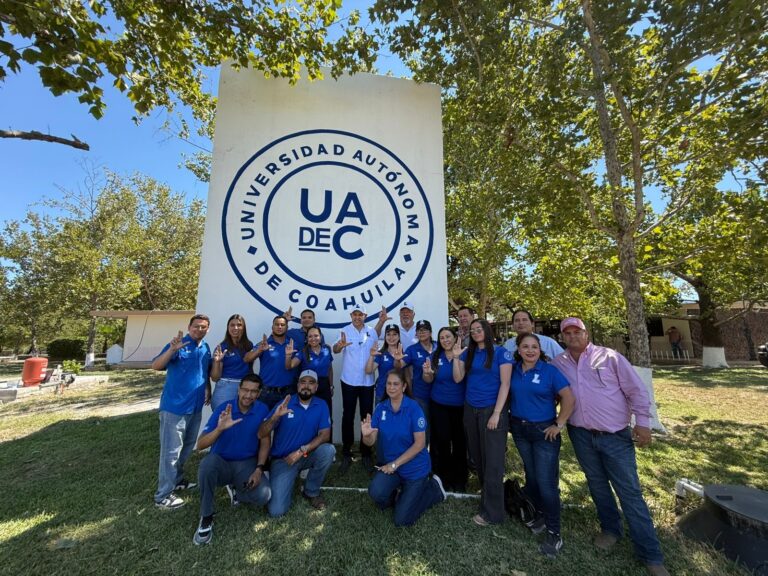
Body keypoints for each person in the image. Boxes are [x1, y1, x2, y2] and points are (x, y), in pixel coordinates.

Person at [552, 317, 669, 576]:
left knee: (629, 491)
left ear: (586, 333)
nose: (572, 336)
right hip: (581, 434)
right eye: (567, 333)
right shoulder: (557, 364)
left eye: (577, 331)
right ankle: (610, 529)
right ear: (562, 337)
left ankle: (651, 554)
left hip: (615, 435)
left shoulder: (609, 357)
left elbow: (636, 390)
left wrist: (644, 423)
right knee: (597, 484)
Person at [509, 333, 575, 558]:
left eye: (534, 347)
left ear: (540, 350)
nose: (530, 351)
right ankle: (538, 515)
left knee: (547, 483)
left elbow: (568, 398)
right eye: (525, 347)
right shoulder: (514, 369)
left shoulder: (549, 371)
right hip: (519, 429)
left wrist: (559, 423)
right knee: (533, 476)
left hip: (544, 432)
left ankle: (554, 533)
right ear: (518, 349)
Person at [193, 374, 271, 545]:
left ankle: (238, 490)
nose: (248, 395)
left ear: (258, 394)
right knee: (207, 465)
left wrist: (259, 469)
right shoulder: (224, 409)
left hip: (246, 463)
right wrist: (219, 429)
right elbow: (200, 444)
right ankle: (206, 516)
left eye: (253, 392)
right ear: (238, 389)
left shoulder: (262, 410)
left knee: (264, 496)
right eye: (245, 390)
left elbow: (265, 441)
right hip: (222, 462)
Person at [361, 369, 447, 526]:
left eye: (396, 384)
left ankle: (434, 489)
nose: (391, 387)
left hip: (414, 470)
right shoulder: (381, 408)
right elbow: (371, 441)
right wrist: (366, 435)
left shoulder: (414, 408)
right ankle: (400, 494)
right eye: (389, 384)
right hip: (392, 468)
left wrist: (394, 464)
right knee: (376, 494)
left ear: (404, 386)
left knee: (401, 520)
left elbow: (420, 444)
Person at [452, 318, 513, 526]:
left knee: (493, 461)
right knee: (478, 457)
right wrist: (456, 358)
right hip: (471, 409)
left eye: (479, 329)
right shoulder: (469, 353)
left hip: (491, 410)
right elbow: (458, 379)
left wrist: (497, 413)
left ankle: (493, 513)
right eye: (473, 330)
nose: (476, 332)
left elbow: (505, 384)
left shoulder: (500, 352)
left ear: (487, 331)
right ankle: (487, 499)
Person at [151, 314, 212, 510]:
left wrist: (208, 390)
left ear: (208, 329)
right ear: (189, 327)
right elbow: (156, 365)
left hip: (195, 407)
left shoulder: (205, 347)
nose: (199, 330)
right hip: (175, 408)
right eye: (196, 327)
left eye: (203, 327)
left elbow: (204, 372)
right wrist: (171, 350)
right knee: (170, 452)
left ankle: (177, 480)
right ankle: (163, 495)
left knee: (186, 448)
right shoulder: (178, 344)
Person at [258, 370, 336, 517]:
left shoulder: (321, 404)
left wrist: (301, 451)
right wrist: (274, 417)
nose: (306, 386)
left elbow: (325, 435)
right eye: (303, 382)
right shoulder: (285, 403)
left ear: (316, 387)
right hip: (284, 460)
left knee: (328, 450)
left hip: (306, 454)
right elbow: (261, 433)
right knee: (276, 511)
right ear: (298, 385)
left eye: (311, 383)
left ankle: (311, 491)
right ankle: (285, 479)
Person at [333, 304, 387, 474]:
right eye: (355, 314)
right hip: (349, 381)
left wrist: (381, 321)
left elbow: (377, 334)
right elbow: (335, 349)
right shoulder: (345, 330)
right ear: (351, 315)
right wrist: (340, 346)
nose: (357, 317)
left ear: (365, 315)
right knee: (347, 416)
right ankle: (347, 453)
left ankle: (366, 453)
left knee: (366, 417)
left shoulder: (371, 331)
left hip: (367, 382)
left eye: (360, 314)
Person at [423, 327, 467, 492]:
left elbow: (458, 379)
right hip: (439, 405)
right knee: (441, 442)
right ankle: (441, 477)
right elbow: (428, 379)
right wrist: (427, 373)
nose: (445, 340)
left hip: (459, 407)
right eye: (442, 338)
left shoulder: (463, 354)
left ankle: (460, 480)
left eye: (448, 336)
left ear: (455, 337)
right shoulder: (435, 356)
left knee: (459, 443)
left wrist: (456, 357)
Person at [285, 325, 334, 438]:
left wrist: (331, 386)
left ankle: (327, 447)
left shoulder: (327, 350)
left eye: (316, 336)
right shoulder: (303, 352)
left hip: (324, 385)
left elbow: (330, 369)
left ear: (320, 337)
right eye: (310, 336)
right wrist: (288, 356)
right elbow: (290, 366)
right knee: (308, 416)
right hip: (308, 386)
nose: (313, 338)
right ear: (307, 338)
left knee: (327, 416)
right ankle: (308, 447)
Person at [209, 314, 258, 409]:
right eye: (232, 325)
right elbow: (215, 378)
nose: (235, 328)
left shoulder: (249, 345)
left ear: (244, 328)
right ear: (228, 328)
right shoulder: (222, 347)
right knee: (222, 421)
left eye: (239, 325)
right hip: (226, 387)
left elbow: (249, 369)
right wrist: (217, 362)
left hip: (245, 388)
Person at [401, 319, 437, 433]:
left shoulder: (439, 346)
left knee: (438, 428)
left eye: (425, 330)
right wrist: (397, 360)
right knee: (422, 428)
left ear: (430, 332)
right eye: (419, 330)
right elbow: (400, 365)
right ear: (416, 334)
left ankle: (435, 451)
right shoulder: (412, 349)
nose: (421, 332)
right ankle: (422, 450)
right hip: (420, 395)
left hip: (439, 395)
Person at [252, 315, 294, 409]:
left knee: (285, 422)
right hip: (266, 392)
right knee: (264, 421)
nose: (279, 327)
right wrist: (260, 350)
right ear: (272, 327)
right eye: (277, 324)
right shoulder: (264, 344)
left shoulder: (292, 345)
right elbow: (247, 358)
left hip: (287, 392)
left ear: (287, 327)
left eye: (282, 325)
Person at [365, 323, 403, 402]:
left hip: (399, 395)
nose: (391, 337)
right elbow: (368, 371)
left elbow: (405, 373)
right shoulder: (380, 354)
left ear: (399, 336)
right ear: (385, 337)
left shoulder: (404, 354)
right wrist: (371, 356)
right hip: (382, 394)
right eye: (388, 334)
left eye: (394, 334)